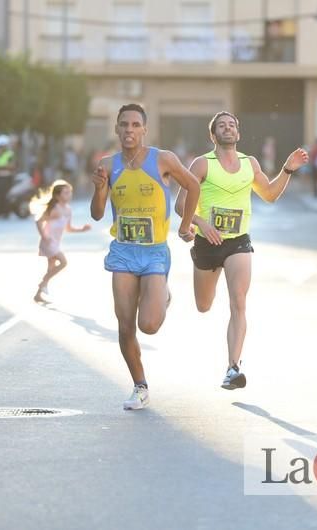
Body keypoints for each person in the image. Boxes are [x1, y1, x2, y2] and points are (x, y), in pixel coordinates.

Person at [174, 111, 308, 390]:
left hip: (238, 242)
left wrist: (287, 168)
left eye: (231, 125)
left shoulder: (250, 163)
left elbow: (269, 194)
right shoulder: (201, 164)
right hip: (206, 244)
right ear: (213, 135)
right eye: (221, 126)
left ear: (238, 133)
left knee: (239, 302)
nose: (227, 128)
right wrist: (198, 222)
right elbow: (179, 206)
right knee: (203, 305)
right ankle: (231, 363)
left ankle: (233, 368)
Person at [90, 103, 201, 411]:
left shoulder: (163, 159)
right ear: (116, 129)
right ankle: (140, 386)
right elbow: (98, 213)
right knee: (125, 326)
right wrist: (99, 190)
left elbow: (192, 186)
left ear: (144, 129)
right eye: (124, 124)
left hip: (154, 252)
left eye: (135, 125)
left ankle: (162, 294)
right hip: (123, 252)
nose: (129, 130)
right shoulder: (107, 164)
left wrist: (185, 223)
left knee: (149, 325)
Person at [33, 180, 90, 302]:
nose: (69, 195)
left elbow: (68, 228)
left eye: (70, 192)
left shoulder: (68, 209)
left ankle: (38, 294)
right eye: (65, 193)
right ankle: (42, 283)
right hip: (48, 242)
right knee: (63, 262)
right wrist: (44, 236)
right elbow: (38, 221)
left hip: (56, 242)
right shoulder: (54, 209)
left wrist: (82, 229)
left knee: (51, 268)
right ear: (57, 195)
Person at [0, 135, 16, 217]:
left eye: (1, 146)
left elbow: (11, 166)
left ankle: (5, 212)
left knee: (4, 195)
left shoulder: (9, 154)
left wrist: (1, 167)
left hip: (6, 178)